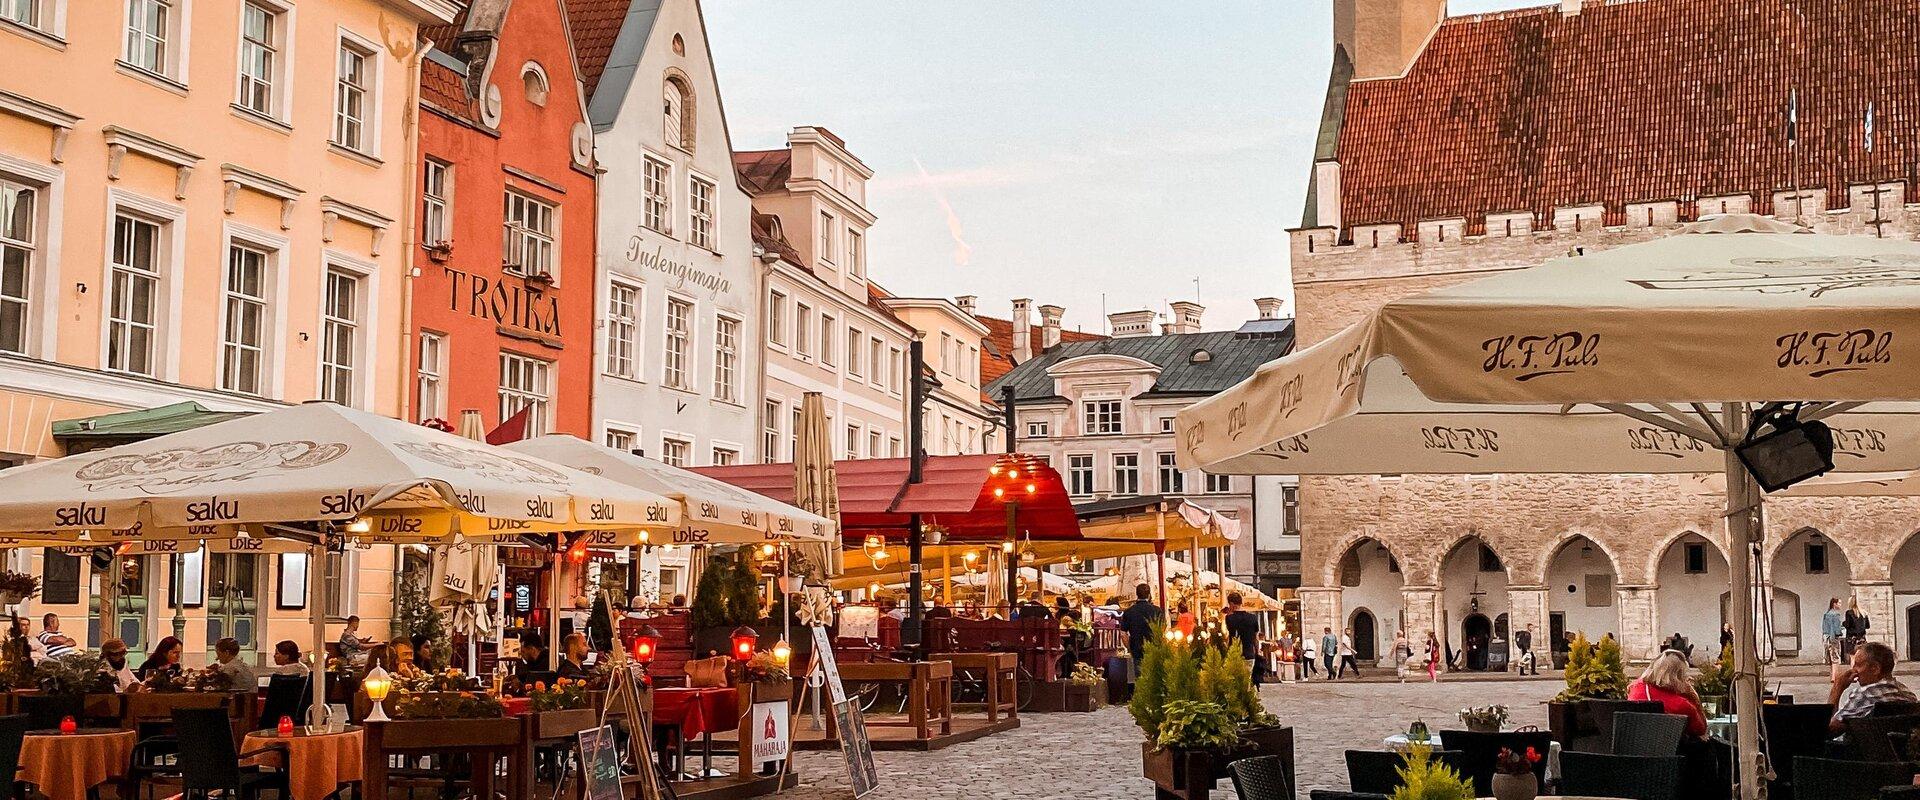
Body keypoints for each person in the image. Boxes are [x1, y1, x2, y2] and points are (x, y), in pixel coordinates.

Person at [1830, 641, 1916, 736]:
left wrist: (1837, 688)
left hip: (1864, 749)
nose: (1853, 670)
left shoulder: (1865, 694)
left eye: (1858, 665)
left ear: (1875, 668)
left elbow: (1831, 728)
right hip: (1897, 749)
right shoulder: (1908, 695)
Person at [1628, 650, 1708, 738]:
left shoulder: (1635, 688)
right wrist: (1694, 697)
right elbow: (1701, 729)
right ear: (1679, 677)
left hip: (1634, 743)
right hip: (1668, 748)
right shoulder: (1681, 705)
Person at [1118, 584, 1164, 669]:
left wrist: (1129, 647)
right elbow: (1162, 630)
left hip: (1136, 649)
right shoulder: (1157, 611)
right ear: (1149, 595)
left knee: (1139, 677)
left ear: (1137, 594)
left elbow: (1123, 634)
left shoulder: (1129, 611)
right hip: (1154, 649)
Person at [1223, 592, 1260, 672]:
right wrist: (1257, 651)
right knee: (1247, 680)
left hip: (1235, 654)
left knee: (1235, 680)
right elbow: (1256, 638)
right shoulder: (1253, 618)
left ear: (1231, 604)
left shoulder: (1229, 618)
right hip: (1249, 654)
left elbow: (1230, 634)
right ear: (1241, 602)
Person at [1823, 597, 1845, 665]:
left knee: (1829, 659)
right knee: (1836, 658)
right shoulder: (1836, 614)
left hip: (1827, 637)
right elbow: (1836, 628)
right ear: (1834, 604)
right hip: (1834, 637)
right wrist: (1841, 632)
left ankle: (1832, 673)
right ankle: (1836, 674)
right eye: (1839, 603)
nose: (1840, 605)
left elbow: (1824, 627)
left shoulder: (1827, 614)